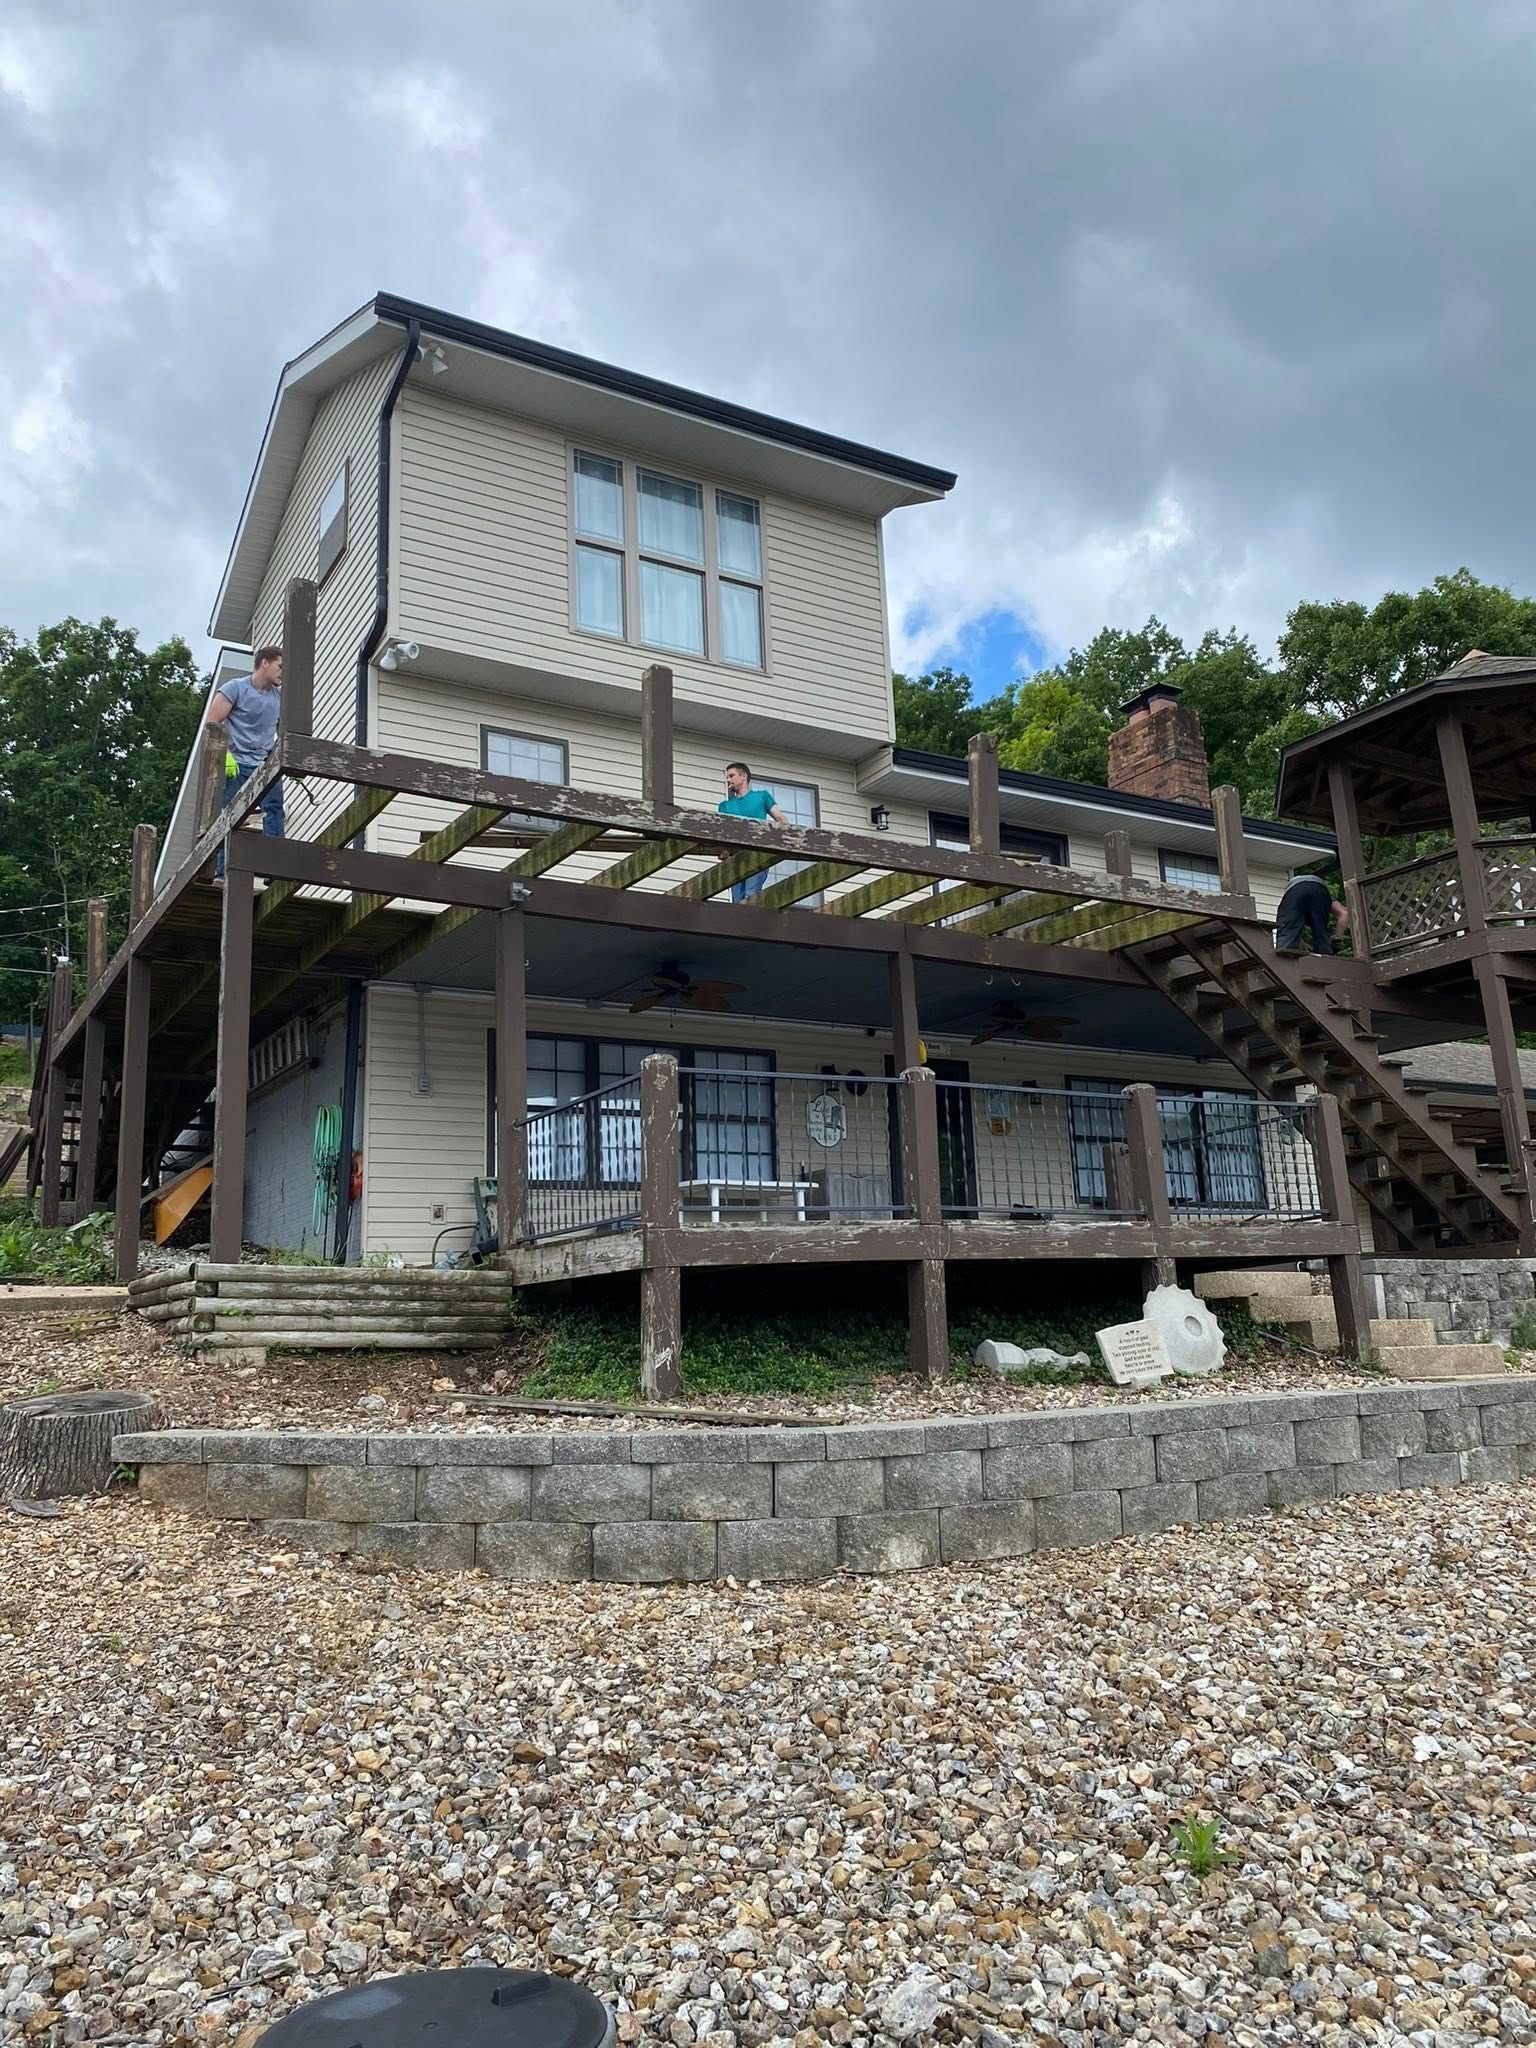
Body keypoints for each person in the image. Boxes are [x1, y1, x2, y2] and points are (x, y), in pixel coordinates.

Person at [207, 647, 283, 878]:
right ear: (265, 663)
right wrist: (224, 756)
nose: (283, 673)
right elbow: (212, 723)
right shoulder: (235, 688)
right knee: (229, 816)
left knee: (274, 810)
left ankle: (273, 870)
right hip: (236, 763)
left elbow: (283, 734)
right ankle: (222, 873)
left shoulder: (279, 699)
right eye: (280, 666)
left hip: (263, 764)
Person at [718, 761, 788, 901]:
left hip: (758, 852)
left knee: (751, 896)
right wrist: (724, 851)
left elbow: (780, 819)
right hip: (735, 857)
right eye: (727, 777)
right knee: (737, 900)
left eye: (731, 776)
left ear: (743, 776)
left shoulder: (762, 796)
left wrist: (782, 841)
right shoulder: (724, 806)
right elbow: (724, 833)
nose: (728, 780)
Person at [1274, 871, 1349, 956]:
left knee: (1287, 929)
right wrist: (1337, 940)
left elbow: (1290, 925)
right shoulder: (1328, 898)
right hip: (1319, 888)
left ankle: (1283, 958)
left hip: (1295, 888)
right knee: (1320, 932)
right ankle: (1325, 958)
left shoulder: (1292, 899)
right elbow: (1344, 913)